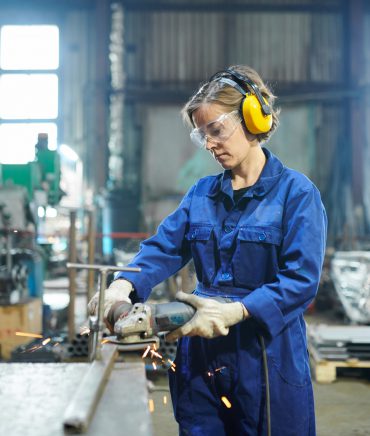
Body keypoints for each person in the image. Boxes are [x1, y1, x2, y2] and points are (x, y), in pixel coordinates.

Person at [88, 65, 327, 436]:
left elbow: (301, 281)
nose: (210, 144)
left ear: (252, 118)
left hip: (265, 356)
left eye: (216, 131)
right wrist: (123, 285)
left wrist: (238, 310)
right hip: (200, 356)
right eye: (202, 135)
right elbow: (163, 248)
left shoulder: (297, 194)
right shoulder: (201, 194)